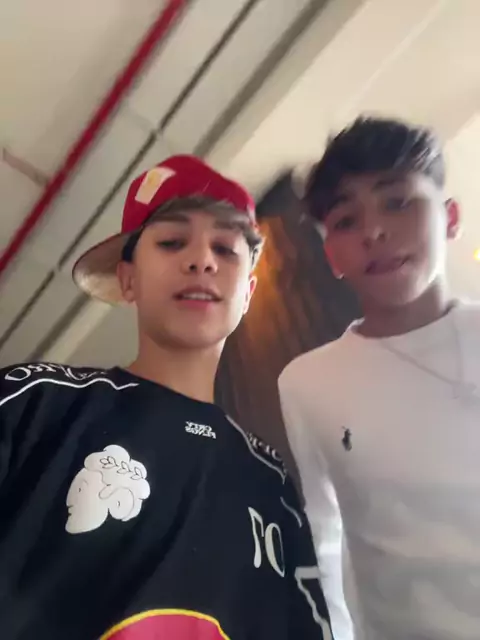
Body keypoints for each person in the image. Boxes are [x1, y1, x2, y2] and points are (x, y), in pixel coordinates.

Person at [0, 155, 333, 639]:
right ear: (128, 278)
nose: (201, 260)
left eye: (225, 248)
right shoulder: (32, 403)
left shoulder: (270, 481)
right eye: (172, 242)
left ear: (247, 292)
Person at [278, 116, 480, 640]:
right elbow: (321, 538)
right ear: (331, 255)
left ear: (450, 217)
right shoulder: (309, 383)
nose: (373, 232)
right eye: (347, 220)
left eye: (398, 202)